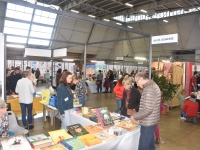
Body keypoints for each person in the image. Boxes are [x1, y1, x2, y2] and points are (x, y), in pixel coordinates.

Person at [130, 72, 161, 150]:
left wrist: (134, 116)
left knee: (143, 147)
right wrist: (140, 118)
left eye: (137, 82)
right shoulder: (152, 85)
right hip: (151, 120)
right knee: (150, 145)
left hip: (148, 123)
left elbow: (147, 109)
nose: (137, 84)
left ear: (140, 78)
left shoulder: (149, 89)